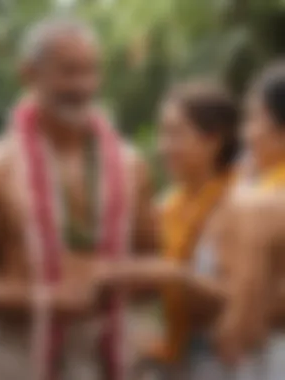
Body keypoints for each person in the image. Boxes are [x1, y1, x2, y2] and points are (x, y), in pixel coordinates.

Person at [0, 17, 156, 380]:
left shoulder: (130, 165)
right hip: (17, 356)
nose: (82, 86)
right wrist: (40, 299)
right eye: (68, 72)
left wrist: (115, 278)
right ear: (29, 74)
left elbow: (152, 265)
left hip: (107, 355)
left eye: (91, 72)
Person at [97, 82, 241, 379]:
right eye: (162, 133)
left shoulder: (244, 203)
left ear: (213, 139)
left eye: (175, 134)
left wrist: (170, 273)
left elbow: (247, 300)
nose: (163, 146)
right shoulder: (168, 205)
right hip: (186, 358)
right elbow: (146, 276)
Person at [215, 62, 285, 379]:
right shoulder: (257, 188)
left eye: (253, 118)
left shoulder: (261, 203)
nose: (246, 133)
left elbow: (243, 316)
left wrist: (233, 328)